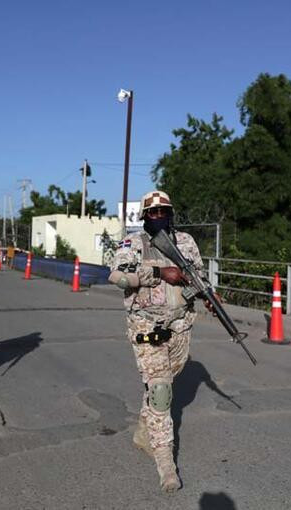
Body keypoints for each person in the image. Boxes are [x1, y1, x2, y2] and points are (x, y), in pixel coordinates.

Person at [108, 190, 208, 493]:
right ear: (144, 217)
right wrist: (159, 272)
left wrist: (204, 292)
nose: (158, 216)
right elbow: (116, 276)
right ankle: (166, 463)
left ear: (171, 213)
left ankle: (144, 432)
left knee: (162, 385)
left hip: (180, 328)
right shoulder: (133, 243)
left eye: (163, 211)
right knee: (161, 391)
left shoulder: (186, 243)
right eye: (152, 213)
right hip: (146, 326)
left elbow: (198, 273)